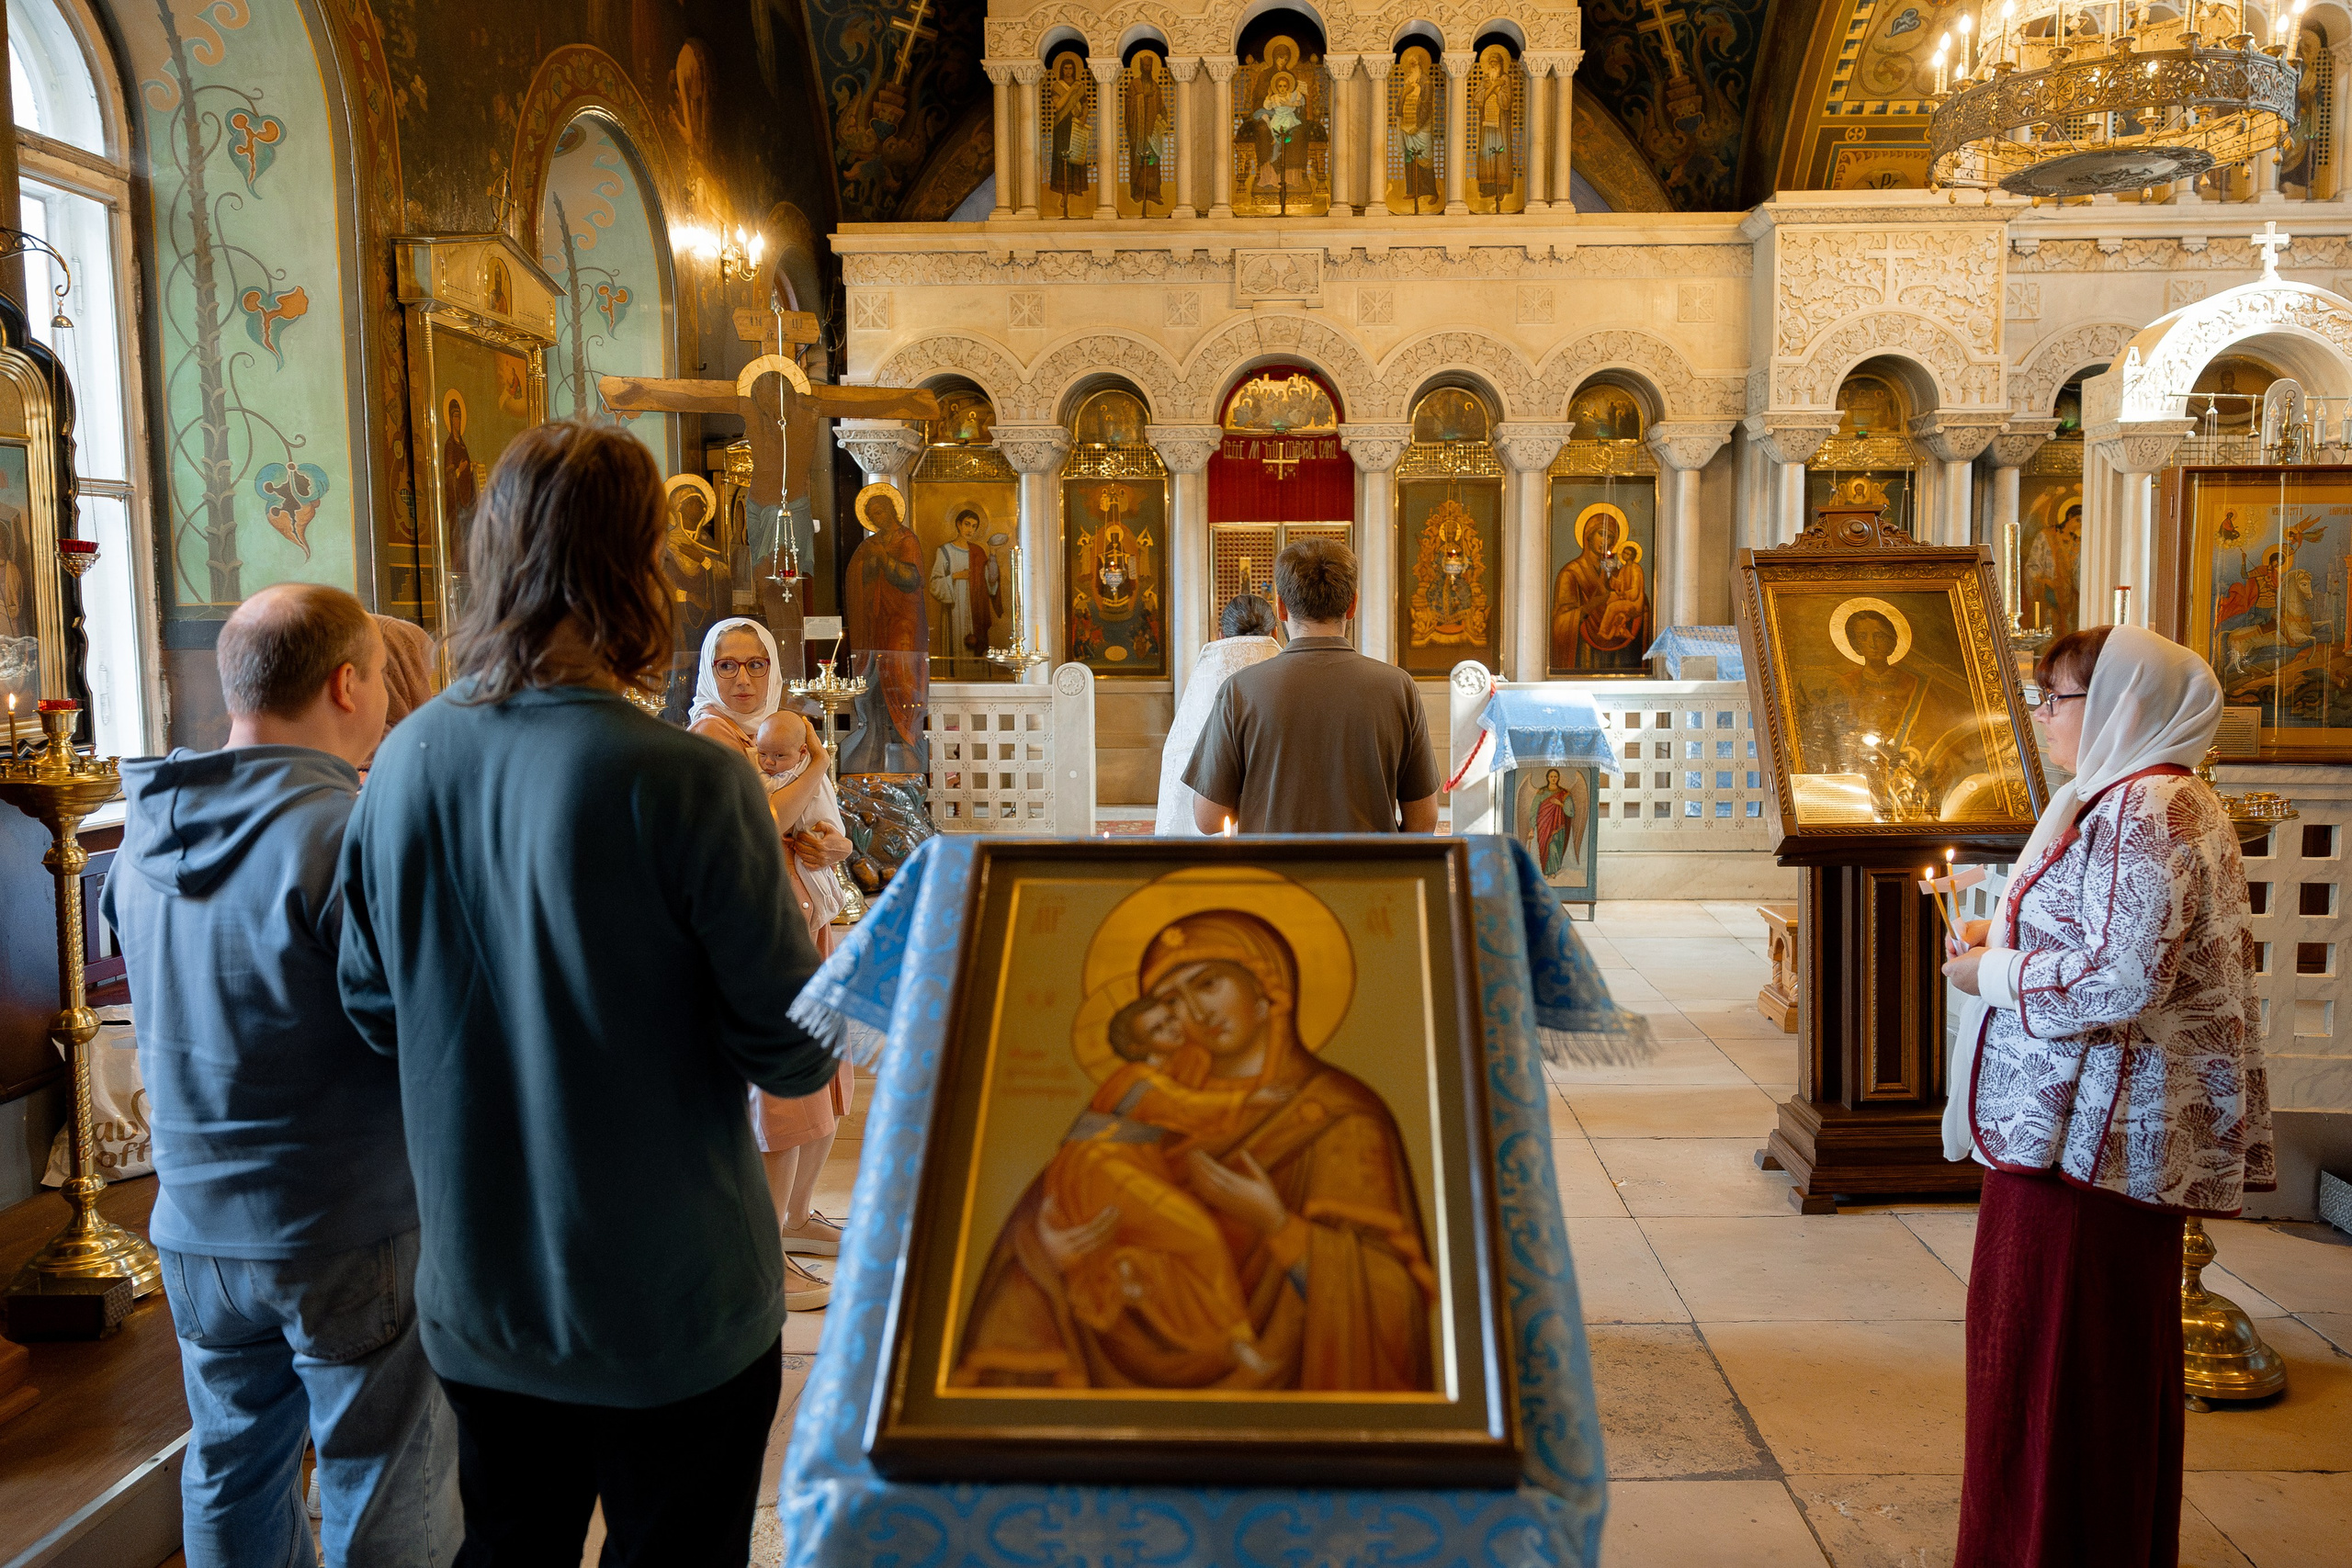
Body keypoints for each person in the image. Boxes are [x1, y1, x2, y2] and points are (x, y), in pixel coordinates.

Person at [337, 422, 842, 1566]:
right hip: (672, 1297)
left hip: (483, 1287)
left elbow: (370, 1012)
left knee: (508, 1545)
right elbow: (789, 1047)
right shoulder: (691, 780)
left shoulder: (404, 761)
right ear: (635, 566)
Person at [104, 582, 459, 1567]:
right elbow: (425, 1029)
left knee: (232, 1468)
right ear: (348, 684)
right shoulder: (346, 835)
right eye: (384, 681)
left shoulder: (144, 836)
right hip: (349, 1220)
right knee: (383, 1483)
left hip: (195, 1228)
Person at [1940, 625, 2272, 1568]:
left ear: (2123, 704)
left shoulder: (2149, 806)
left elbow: (2122, 978)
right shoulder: (2133, 797)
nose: (2043, 713)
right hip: (2079, 1134)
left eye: (2059, 696)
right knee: (2059, 1373)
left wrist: (1993, 974)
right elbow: (2106, 936)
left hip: (2088, 1149)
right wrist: (2003, 940)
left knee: (2060, 1379)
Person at [686, 617, 854, 1303]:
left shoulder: (778, 730)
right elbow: (764, 822)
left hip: (804, 917)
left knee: (824, 1074)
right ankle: (764, 1256)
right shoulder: (713, 737)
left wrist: (836, 847)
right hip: (757, 931)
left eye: (756, 663)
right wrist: (816, 761)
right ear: (709, 672)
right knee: (784, 1095)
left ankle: (798, 1217)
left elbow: (823, 827)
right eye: (727, 665)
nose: (743, 678)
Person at [1183, 539, 1440, 833]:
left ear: (1280, 607)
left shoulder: (1240, 690)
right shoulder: (1398, 688)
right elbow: (1424, 819)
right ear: (1353, 604)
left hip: (1269, 864)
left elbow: (1208, 819)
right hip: (1370, 864)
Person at [1156, 593, 1281, 835]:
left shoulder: (1205, 682)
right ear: (1275, 633)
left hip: (1209, 818)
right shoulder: (1290, 677)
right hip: (1275, 827)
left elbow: (1181, 752)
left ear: (1221, 635)